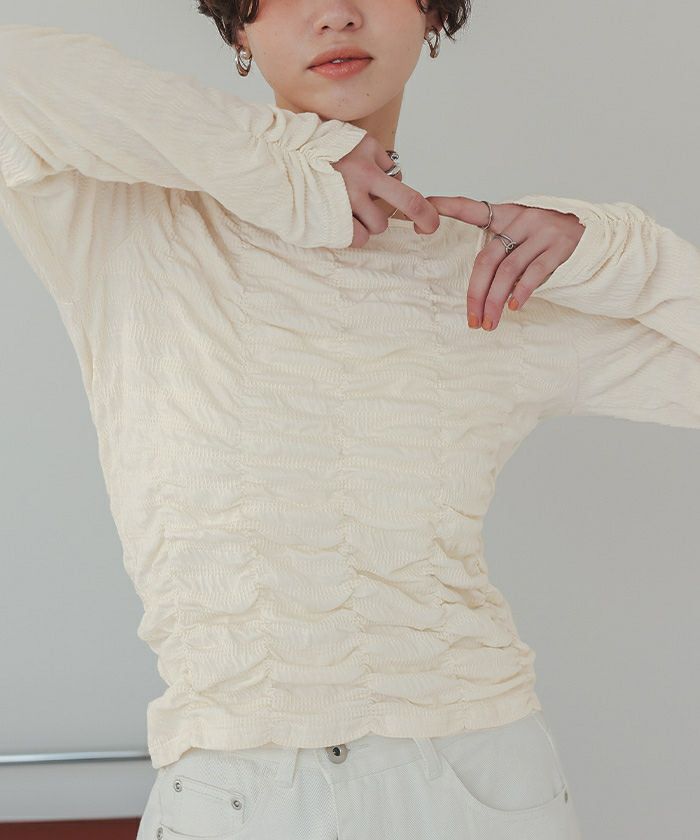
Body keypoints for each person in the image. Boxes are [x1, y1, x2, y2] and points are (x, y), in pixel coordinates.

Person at [1, 3, 698, 838]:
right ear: (239, 27)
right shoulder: (131, 221)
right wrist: (290, 165)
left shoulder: (488, 278)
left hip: (477, 776)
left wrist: (619, 254)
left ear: (431, 13)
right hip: (239, 792)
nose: (336, 12)